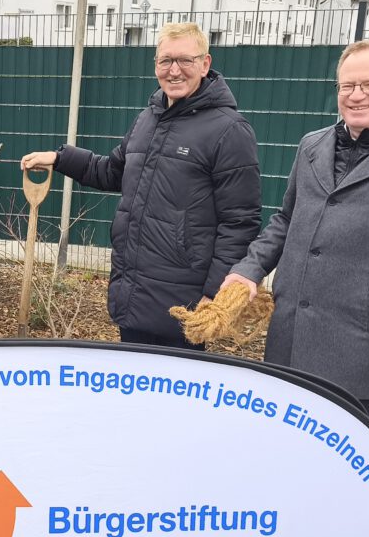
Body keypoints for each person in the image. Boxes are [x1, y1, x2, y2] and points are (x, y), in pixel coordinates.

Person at [221, 40, 369, 433]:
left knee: (356, 464)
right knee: (285, 448)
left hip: (361, 351)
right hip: (291, 338)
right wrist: (248, 269)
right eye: (347, 86)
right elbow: (286, 220)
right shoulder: (312, 146)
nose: (356, 96)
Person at [20, 22, 260, 349]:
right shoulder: (147, 120)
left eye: (185, 61)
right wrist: (60, 158)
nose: (174, 70)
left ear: (205, 64)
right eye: (165, 61)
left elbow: (240, 221)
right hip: (133, 294)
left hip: (185, 305)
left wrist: (214, 294)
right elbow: (112, 172)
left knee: (177, 394)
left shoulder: (230, 131)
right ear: (156, 65)